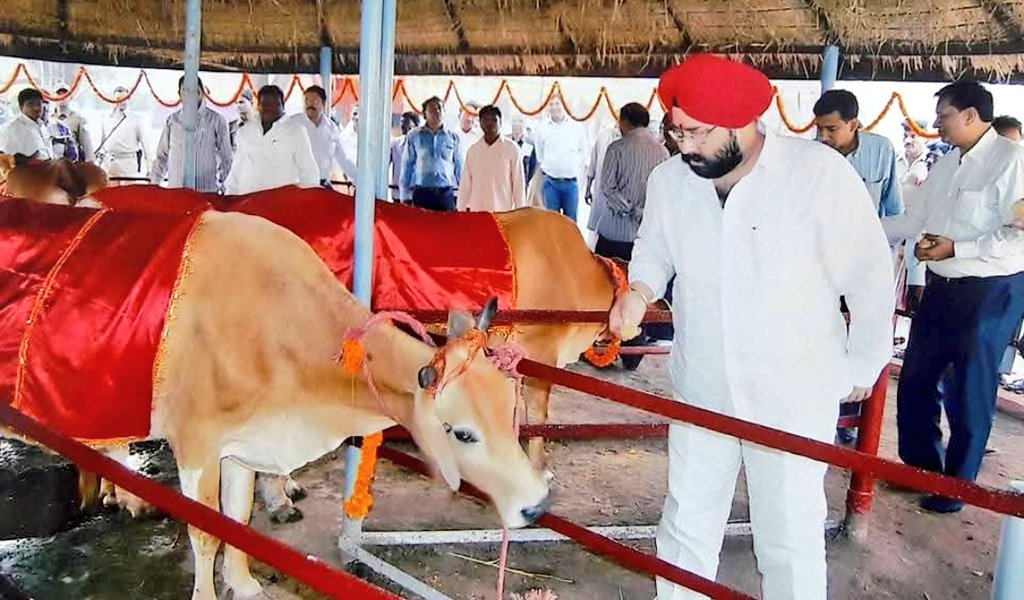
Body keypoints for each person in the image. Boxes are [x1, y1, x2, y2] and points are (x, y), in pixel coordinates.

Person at [609, 55, 893, 599]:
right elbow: (653, 252)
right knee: (686, 522)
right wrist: (638, 294)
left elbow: (871, 276)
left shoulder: (817, 176)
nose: (684, 145)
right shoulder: (672, 180)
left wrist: (862, 363)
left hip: (790, 393)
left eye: (696, 133)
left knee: (788, 536)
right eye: (676, 131)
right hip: (704, 387)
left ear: (741, 122)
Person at [882, 81, 1024, 514]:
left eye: (944, 115)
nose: (938, 124)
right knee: (917, 380)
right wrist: (860, 229)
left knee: (968, 388)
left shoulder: (1012, 159)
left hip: (990, 289)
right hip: (943, 287)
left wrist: (957, 248)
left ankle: (957, 488)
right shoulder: (947, 165)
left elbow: (1018, 231)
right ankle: (921, 469)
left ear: (970, 115)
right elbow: (913, 219)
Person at [813, 89, 901, 218]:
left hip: (869, 235)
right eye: (819, 128)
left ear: (853, 125)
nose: (823, 136)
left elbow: (893, 207)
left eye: (831, 129)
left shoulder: (881, 150)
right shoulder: (813, 154)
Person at [225, 85, 319, 195]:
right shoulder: (245, 131)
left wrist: (308, 200)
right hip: (247, 201)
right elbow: (237, 169)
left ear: (283, 106)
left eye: (275, 104)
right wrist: (230, 197)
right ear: (258, 106)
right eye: (265, 104)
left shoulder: (296, 132)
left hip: (281, 204)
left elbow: (309, 172)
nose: (269, 108)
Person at [150, 76, 233, 193]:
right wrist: (154, 187)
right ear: (179, 94)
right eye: (185, 90)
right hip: (176, 192)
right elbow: (161, 157)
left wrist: (222, 186)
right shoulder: (172, 120)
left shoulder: (216, 120)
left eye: (194, 90)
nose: (190, 94)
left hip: (206, 193)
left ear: (201, 92)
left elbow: (227, 159)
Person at [458, 105, 526, 212]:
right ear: (480, 123)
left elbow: (518, 184)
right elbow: (465, 185)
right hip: (478, 212)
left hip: (504, 213)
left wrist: (520, 213)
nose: (490, 123)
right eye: (486, 120)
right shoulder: (473, 151)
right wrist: (461, 211)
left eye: (494, 120)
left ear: (501, 123)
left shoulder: (512, 149)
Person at [401, 96, 462, 211]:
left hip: (445, 193)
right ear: (424, 115)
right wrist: (405, 196)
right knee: (420, 228)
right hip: (422, 193)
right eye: (432, 109)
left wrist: (463, 197)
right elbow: (407, 166)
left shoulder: (453, 137)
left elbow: (459, 168)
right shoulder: (414, 136)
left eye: (440, 108)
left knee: (446, 228)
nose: (437, 112)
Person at [289, 85, 357, 187]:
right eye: (307, 101)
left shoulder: (331, 128)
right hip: (300, 186)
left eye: (315, 101)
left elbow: (343, 159)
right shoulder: (293, 123)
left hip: (323, 184)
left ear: (323, 104)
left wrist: (359, 180)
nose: (310, 105)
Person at [535, 101, 585, 220]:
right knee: (552, 223)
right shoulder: (542, 128)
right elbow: (540, 156)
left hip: (571, 184)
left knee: (571, 223)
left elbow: (583, 154)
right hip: (550, 184)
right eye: (551, 104)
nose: (554, 107)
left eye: (557, 103)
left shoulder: (576, 127)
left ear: (564, 104)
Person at [97, 86, 151, 179]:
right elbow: (102, 142)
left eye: (124, 98)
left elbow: (146, 145)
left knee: (127, 192)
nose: (121, 102)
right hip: (109, 164)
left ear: (129, 99)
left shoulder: (136, 120)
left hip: (128, 164)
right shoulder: (106, 118)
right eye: (118, 99)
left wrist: (149, 168)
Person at [585, 121, 621, 236]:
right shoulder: (603, 136)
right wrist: (587, 188)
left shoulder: (629, 141)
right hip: (601, 193)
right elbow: (593, 164)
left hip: (619, 199)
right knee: (597, 234)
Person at [2, 88, 53, 161]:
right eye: (30, 104)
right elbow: (10, 158)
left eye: (39, 104)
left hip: (50, 169)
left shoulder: (43, 126)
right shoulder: (14, 129)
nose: (36, 108)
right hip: (29, 171)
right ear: (21, 107)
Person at [52, 84, 93, 161]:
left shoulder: (79, 119)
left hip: (71, 165)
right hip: (53, 166)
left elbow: (87, 148)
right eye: (59, 94)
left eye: (65, 94)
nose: (62, 97)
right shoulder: (49, 119)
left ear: (70, 97)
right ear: (53, 97)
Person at [389, 111, 420, 202]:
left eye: (407, 125)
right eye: (402, 124)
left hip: (415, 196)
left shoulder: (422, 146)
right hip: (398, 194)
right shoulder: (394, 144)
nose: (404, 128)